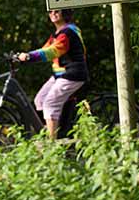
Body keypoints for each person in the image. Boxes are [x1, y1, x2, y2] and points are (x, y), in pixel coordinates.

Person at [17, 9, 88, 139]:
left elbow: (52, 51)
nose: (53, 14)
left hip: (72, 74)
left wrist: (29, 57)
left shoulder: (68, 32)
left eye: (57, 11)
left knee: (50, 103)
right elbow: (44, 49)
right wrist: (24, 56)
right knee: (40, 100)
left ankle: (51, 143)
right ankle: (54, 128)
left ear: (65, 13)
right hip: (60, 75)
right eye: (50, 12)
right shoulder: (57, 34)